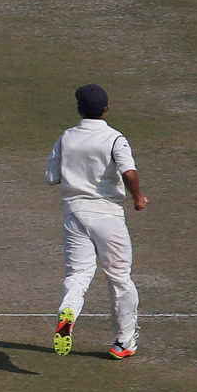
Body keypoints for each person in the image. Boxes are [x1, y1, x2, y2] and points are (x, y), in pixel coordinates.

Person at [46, 83, 147, 359]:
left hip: (74, 216)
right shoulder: (115, 138)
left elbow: (52, 177)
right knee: (119, 277)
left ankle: (69, 311)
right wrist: (138, 197)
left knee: (78, 275)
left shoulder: (66, 137)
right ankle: (124, 342)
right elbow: (128, 172)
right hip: (108, 217)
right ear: (106, 108)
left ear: (79, 110)